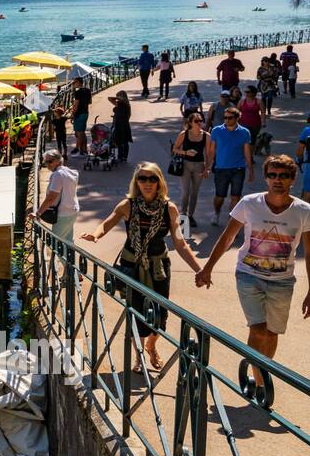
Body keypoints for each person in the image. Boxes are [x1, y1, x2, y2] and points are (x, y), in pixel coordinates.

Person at [196, 155, 310, 402]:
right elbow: (228, 237)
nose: (278, 180)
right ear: (266, 178)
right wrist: (207, 267)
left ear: (292, 180)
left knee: (272, 334)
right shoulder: (249, 203)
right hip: (248, 275)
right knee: (258, 328)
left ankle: (260, 373)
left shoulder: (304, 211)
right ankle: (260, 380)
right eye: (273, 175)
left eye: (284, 176)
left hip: (283, 281)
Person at [82, 162, 204, 372]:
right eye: (143, 179)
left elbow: (180, 243)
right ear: (136, 182)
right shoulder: (127, 205)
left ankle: (151, 345)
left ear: (159, 182)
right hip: (132, 266)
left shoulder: (170, 208)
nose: (147, 183)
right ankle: (138, 357)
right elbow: (107, 223)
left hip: (158, 268)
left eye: (152, 179)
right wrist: (95, 234)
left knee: (159, 314)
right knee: (136, 312)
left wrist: (200, 270)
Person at [206, 105, 253, 226]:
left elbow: (247, 152)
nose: (226, 120)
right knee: (220, 197)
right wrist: (207, 167)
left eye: (230, 118)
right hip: (221, 169)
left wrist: (251, 170)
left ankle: (231, 220)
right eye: (225, 117)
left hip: (238, 169)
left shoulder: (244, 132)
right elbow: (212, 150)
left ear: (237, 118)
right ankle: (216, 212)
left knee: (235, 197)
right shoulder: (216, 130)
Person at [172, 112, 210, 228]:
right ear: (190, 123)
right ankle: (183, 215)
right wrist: (185, 152)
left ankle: (190, 215)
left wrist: (207, 168)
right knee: (186, 192)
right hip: (186, 165)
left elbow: (208, 154)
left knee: (194, 193)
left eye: (201, 121)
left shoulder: (206, 136)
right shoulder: (184, 134)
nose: (199, 123)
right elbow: (174, 148)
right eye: (196, 121)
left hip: (199, 165)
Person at [35, 149, 79, 242]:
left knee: (56, 242)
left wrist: (38, 213)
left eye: (50, 161)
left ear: (58, 160)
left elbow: (51, 198)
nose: (47, 164)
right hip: (72, 210)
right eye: (45, 162)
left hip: (63, 213)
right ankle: (70, 256)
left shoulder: (57, 175)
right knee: (67, 240)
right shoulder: (71, 172)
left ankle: (62, 257)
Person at [109, 90, 132, 165]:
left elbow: (110, 99)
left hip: (120, 124)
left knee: (121, 141)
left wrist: (117, 98)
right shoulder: (127, 105)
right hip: (124, 124)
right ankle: (123, 157)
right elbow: (129, 115)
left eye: (118, 97)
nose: (117, 99)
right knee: (124, 141)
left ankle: (121, 157)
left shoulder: (120, 104)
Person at [71, 76, 93, 155]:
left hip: (79, 114)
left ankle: (81, 151)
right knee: (82, 132)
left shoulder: (77, 92)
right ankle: (84, 150)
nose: (73, 84)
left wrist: (72, 114)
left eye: (74, 82)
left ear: (79, 82)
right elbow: (90, 102)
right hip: (85, 113)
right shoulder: (88, 90)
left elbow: (76, 105)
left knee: (79, 133)